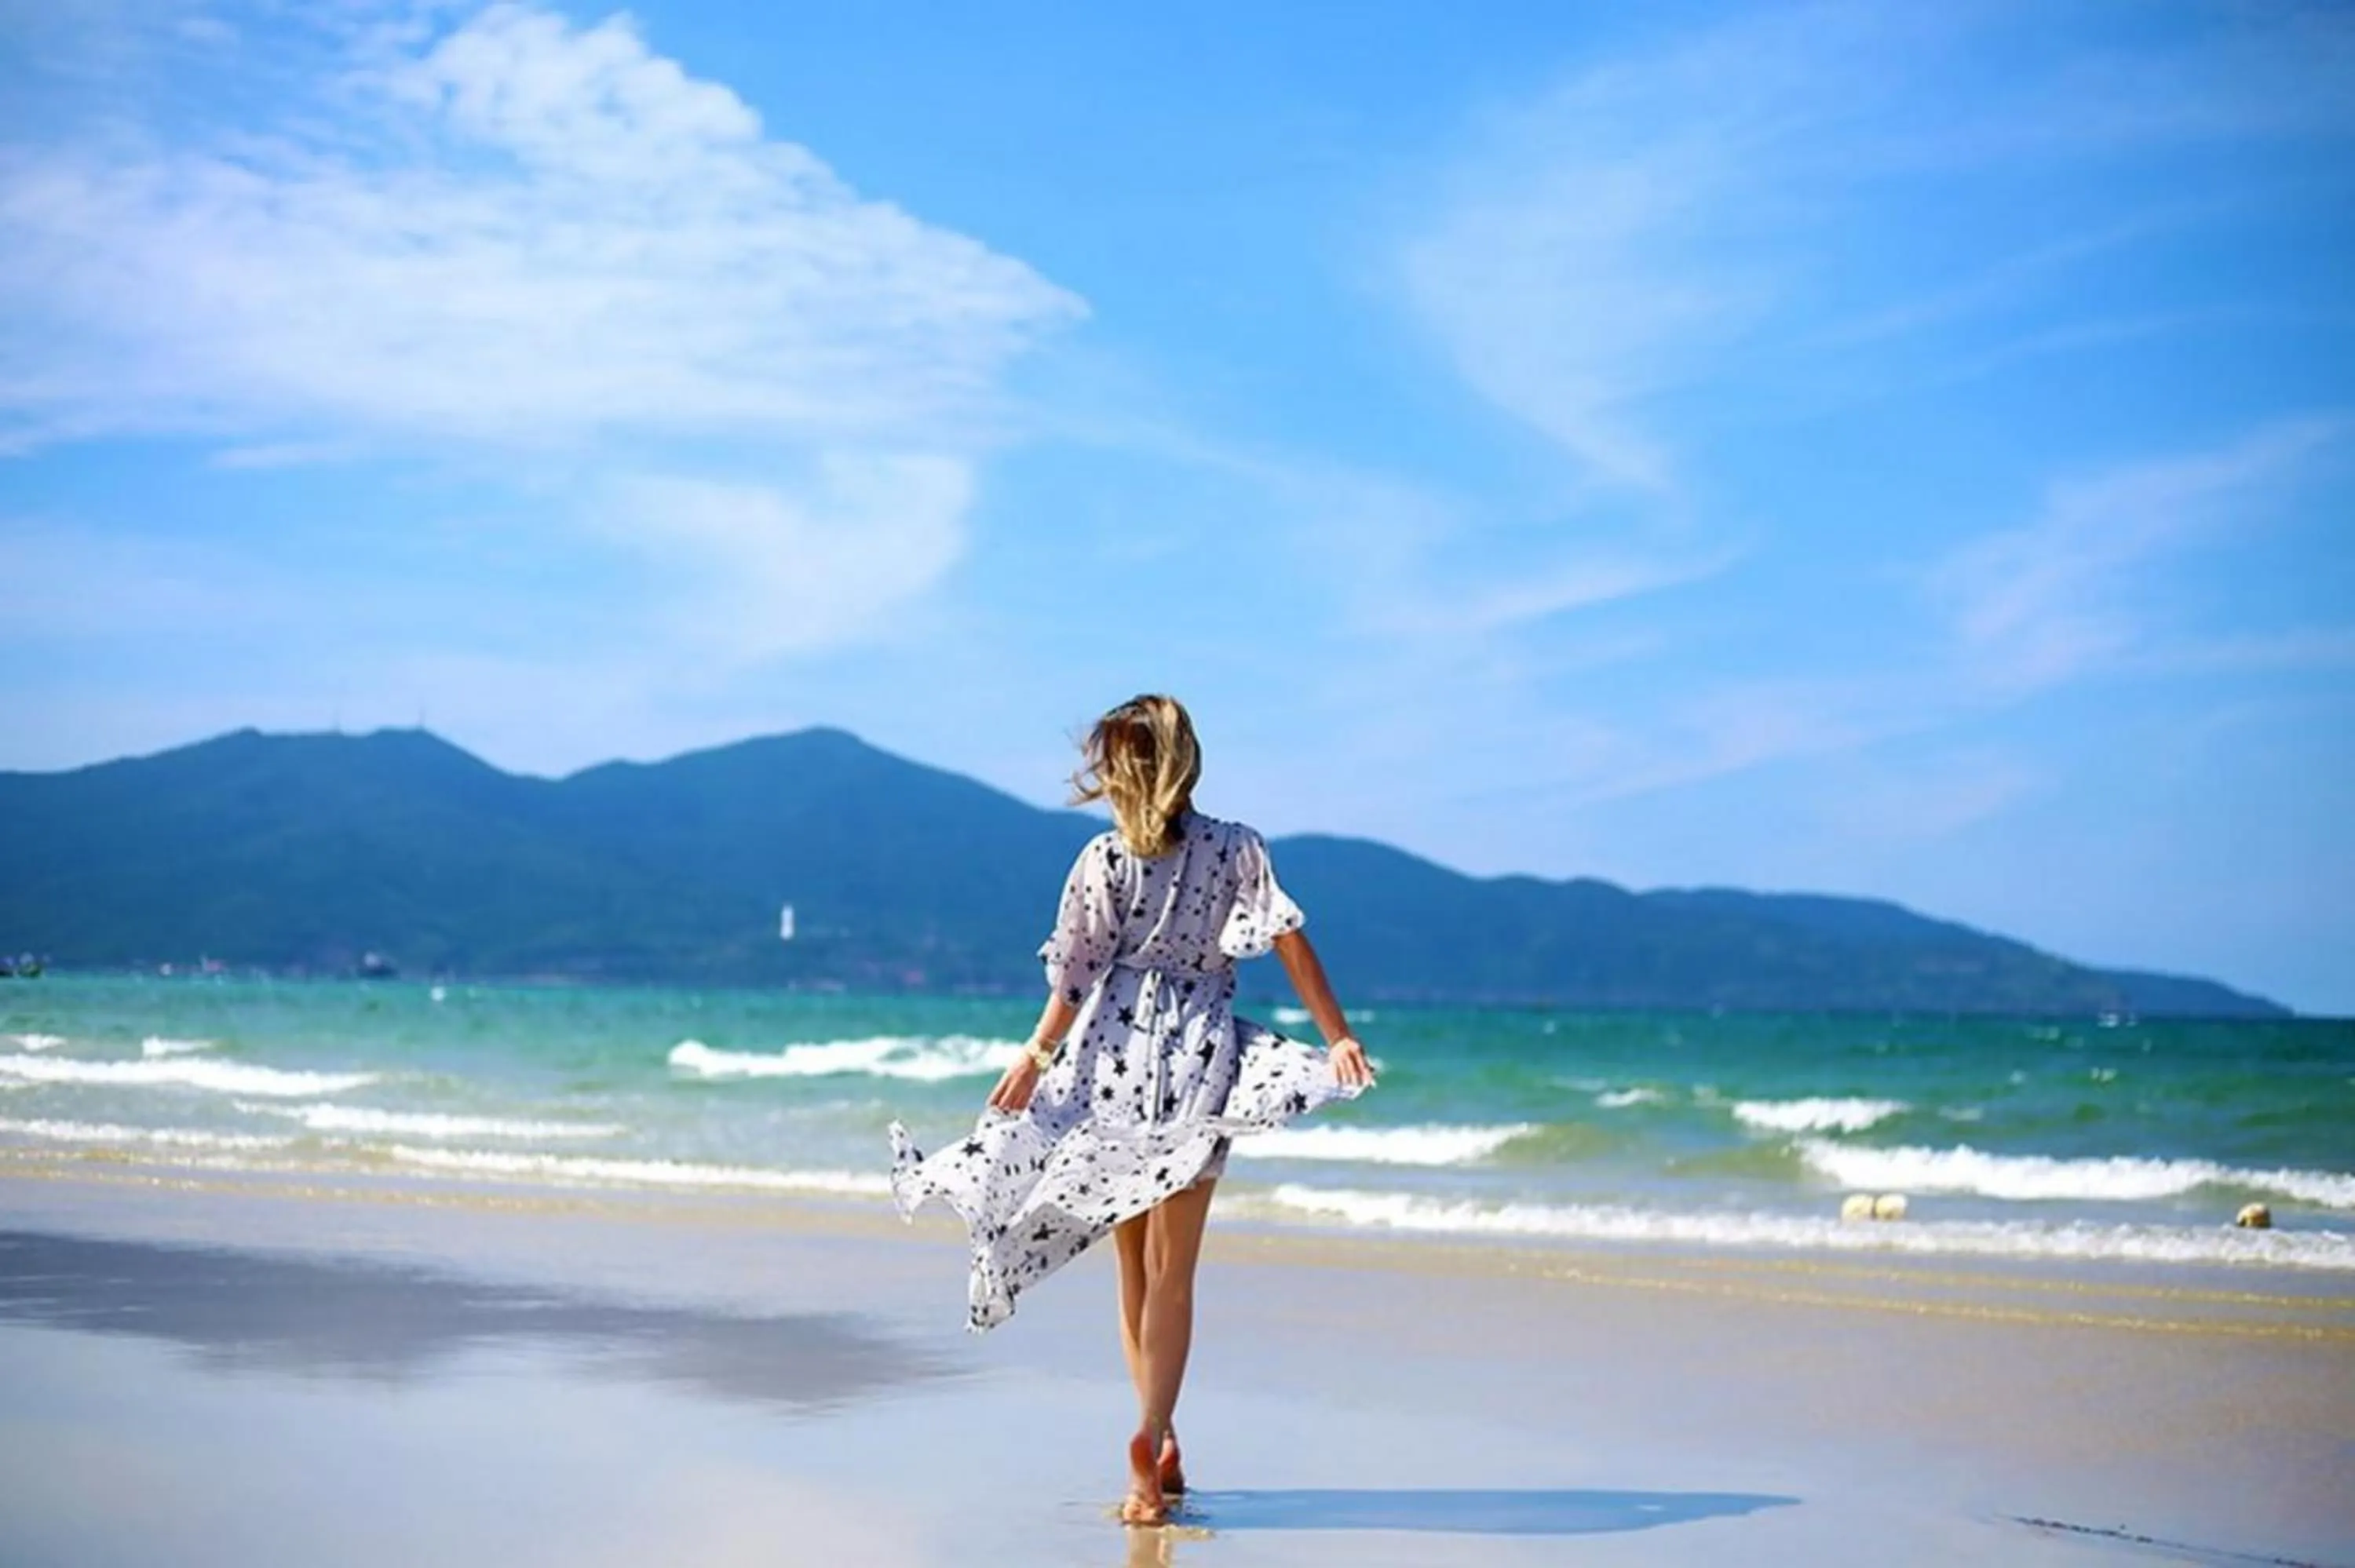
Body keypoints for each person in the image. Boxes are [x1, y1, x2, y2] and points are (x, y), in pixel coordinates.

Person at [888, 694, 1376, 1526]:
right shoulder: (1236, 848)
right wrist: (1337, 1036)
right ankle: (1152, 1433)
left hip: (1108, 1066)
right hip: (1197, 1064)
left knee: (1133, 1270)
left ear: (1124, 773)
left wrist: (1035, 1054)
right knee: (1174, 1275)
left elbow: (1076, 974)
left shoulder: (1106, 860)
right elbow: (1290, 938)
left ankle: (1158, 1444)